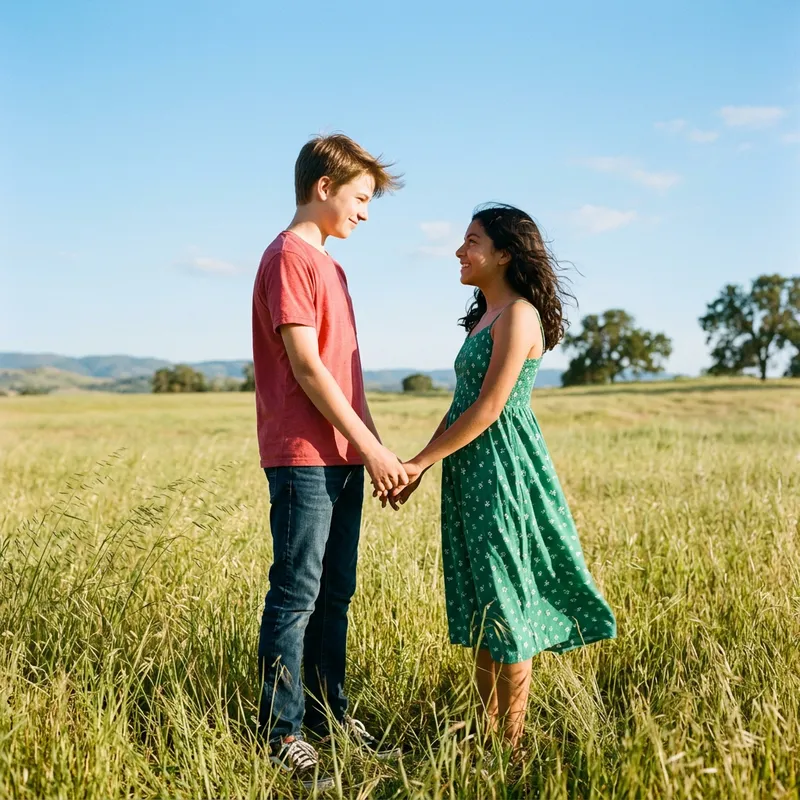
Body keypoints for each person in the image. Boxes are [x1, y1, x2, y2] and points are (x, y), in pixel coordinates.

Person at [387, 203, 616, 759]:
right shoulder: (486, 317)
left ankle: (509, 752)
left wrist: (418, 464)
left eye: (471, 241)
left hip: (503, 470)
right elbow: (461, 404)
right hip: (471, 470)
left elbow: (490, 408)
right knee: (486, 605)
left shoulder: (519, 315)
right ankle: (489, 739)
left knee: (507, 606)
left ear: (505, 253)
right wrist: (422, 462)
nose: (459, 252)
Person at [252, 133, 406, 790]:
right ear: (323, 187)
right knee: (296, 596)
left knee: (335, 595)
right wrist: (367, 447)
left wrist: (377, 452)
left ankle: (327, 713)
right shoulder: (289, 256)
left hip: (344, 456)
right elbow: (310, 370)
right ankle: (280, 732)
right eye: (360, 197)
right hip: (303, 456)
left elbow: (348, 376)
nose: (365, 212)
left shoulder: (333, 268)